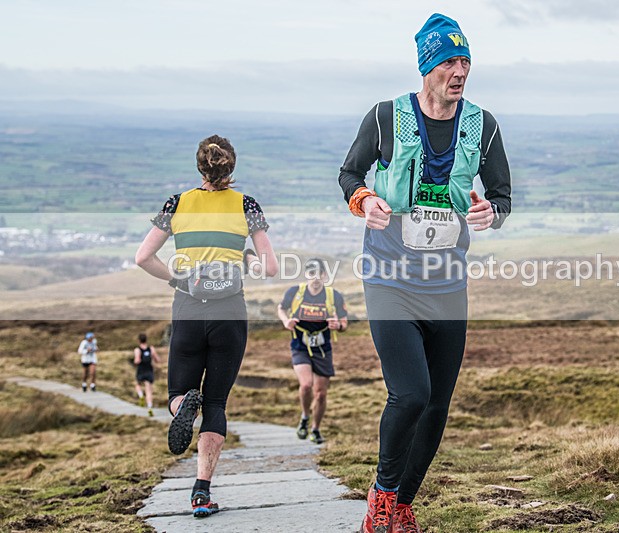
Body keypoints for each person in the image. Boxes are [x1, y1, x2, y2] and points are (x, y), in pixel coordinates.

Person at [338, 13, 511, 533]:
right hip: (389, 276)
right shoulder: (386, 117)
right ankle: (382, 495)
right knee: (410, 392)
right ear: (428, 66)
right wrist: (363, 199)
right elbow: (349, 173)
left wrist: (491, 214)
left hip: (446, 283)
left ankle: (405, 503)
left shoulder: (484, 125)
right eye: (450, 62)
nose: (459, 72)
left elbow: (502, 198)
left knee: (437, 404)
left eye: (466, 62)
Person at [135, 135, 279, 518]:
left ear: (201, 167)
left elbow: (143, 257)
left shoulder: (177, 203)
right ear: (231, 168)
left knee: (178, 392)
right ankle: (202, 492)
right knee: (216, 402)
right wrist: (246, 257)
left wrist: (176, 279)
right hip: (229, 312)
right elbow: (271, 267)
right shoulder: (247, 205)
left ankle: (183, 405)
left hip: (188, 308)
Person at [277, 258, 348, 445]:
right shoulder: (295, 292)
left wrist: (338, 325)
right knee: (307, 384)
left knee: (321, 393)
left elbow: (344, 322)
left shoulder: (334, 296)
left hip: (323, 348)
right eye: (311, 274)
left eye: (319, 274)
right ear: (306, 275)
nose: (315, 278)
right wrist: (286, 322)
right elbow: (281, 309)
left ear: (325, 276)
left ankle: (315, 429)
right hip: (300, 344)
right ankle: (305, 416)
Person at [133, 333, 162, 416]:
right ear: (146, 340)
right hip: (149, 370)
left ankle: (141, 395)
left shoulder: (137, 349)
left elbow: (137, 360)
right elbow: (157, 359)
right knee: (149, 390)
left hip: (141, 370)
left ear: (139, 340)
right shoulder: (151, 348)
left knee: (137, 384)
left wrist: (135, 362)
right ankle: (149, 407)